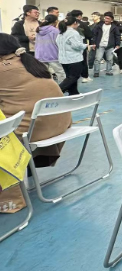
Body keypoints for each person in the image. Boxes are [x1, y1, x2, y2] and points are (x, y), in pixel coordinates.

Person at [0, 33, 72, 209]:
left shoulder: (3, 69)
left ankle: (9, 194)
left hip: (33, 131)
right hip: (59, 125)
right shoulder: (29, 62)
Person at [56, 16, 88, 95]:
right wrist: (85, 45)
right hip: (73, 59)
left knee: (70, 77)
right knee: (73, 77)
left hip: (63, 59)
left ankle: (74, 93)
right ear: (75, 23)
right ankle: (56, 92)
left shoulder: (61, 33)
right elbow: (76, 46)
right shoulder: (73, 33)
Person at [90, 11, 120, 77]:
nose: (106, 20)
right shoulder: (99, 26)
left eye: (108, 18)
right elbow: (94, 34)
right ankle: (96, 72)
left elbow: (117, 36)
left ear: (111, 20)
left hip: (110, 46)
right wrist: (94, 43)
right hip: (100, 45)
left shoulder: (114, 27)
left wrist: (118, 44)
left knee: (110, 59)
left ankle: (109, 71)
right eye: (105, 18)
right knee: (97, 59)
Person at [35, 15, 65, 81]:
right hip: (52, 54)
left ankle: (47, 86)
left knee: (44, 74)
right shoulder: (55, 31)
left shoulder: (38, 30)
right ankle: (64, 86)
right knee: (60, 73)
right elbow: (59, 43)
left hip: (40, 54)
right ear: (56, 21)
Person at [68, 10, 93, 84]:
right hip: (81, 46)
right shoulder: (82, 24)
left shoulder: (66, 24)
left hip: (69, 47)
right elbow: (89, 35)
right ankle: (85, 77)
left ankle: (71, 76)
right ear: (79, 16)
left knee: (71, 62)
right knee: (83, 61)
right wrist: (90, 44)